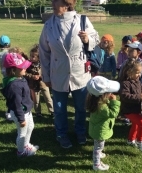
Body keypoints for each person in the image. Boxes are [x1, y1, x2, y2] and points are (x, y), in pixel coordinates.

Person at [39, 0, 99, 148]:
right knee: (59, 109)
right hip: (58, 72)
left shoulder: (82, 20)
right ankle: (61, 134)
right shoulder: (48, 25)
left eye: (55, 1)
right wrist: (46, 76)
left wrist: (87, 39)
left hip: (80, 72)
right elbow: (44, 52)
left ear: (66, 3)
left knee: (80, 107)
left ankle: (80, 131)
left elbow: (96, 39)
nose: (52, 4)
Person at [1, 52, 39, 157]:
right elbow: (17, 104)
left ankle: (26, 145)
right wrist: (21, 119)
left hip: (26, 111)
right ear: (14, 70)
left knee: (31, 126)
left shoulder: (20, 79)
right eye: (22, 67)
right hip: (21, 113)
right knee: (22, 133)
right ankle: (21, 151)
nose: (25, 69)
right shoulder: (15, 86)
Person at [86, 76, 121, 171]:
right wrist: (114, 101)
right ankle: (96, 164)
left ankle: (99, 153)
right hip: (100, 131)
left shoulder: (96, 101)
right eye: (109, 92)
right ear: (103, 95)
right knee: (98, 147)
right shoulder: (102, 107)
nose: (111, 94)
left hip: (97, 129)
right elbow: (114, 113)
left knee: (98, 145)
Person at [119, 58, 142, 152]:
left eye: (140, 72)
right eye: (137, 72)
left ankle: (131, 140)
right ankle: (140, 141)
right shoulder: (125, 84)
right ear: (129, 72)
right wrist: (139, 96)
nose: (139, 74)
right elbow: (125, 96)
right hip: (128, 110)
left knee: (136, 124)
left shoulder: (138, 82)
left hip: (137, 109)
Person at [118, 41, 142, 125]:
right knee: (126, 101)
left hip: (136, 89)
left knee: (135, 104)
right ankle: (127, 116)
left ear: (138, 52)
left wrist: (141, 90)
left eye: (131, 51)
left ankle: (135, 116)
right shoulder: (125, 62)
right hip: (126, 87)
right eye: (128, 50)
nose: (128, 52)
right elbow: (121, 74)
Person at [25, 44, 54, 117]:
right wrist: (32, 76)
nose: (31, 57)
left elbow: (48, 71)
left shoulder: (43, 63)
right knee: (36, 101)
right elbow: (24, 73)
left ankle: (52, 111)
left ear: (39, 57)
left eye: (33, 56)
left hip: (43, 84)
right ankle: (38, 112)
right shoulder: (28, 64)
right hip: (33, 85)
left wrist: (41, 76)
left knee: (48, 98)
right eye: (30, 55)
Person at [0, 35, 11, 120]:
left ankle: (10, 111)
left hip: (5, 77)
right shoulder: (7, 53)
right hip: (10, 76)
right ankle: (9, 112)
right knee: (10, 95)